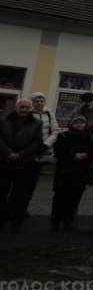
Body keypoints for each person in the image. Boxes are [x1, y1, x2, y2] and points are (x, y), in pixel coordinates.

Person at [0, 98, 43, 232]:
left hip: (24, 164)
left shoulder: (37, 123)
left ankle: (15, 221)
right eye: (22, 107)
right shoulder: (3, 120)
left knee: (20, 195)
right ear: (16, 107)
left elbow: (38, 142)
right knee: (1, 193)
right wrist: (9, 153)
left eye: (27, 107)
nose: (24, 110)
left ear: (31, 108)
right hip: (4, 163)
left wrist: (21, 154)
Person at [50, 114, 93, 230]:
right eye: (77, 122)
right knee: (60, 198)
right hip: (64, 173)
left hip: (81, 173)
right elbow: (58, 151)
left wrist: (87, 155)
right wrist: (73, 155)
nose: (80, 125)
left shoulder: (89, 137)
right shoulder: (63, 136)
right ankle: (55, 221)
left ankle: (68, 221)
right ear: (71, 124)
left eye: (82, 123)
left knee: (74, 199)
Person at [25, 92, 60, 216]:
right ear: (32, 103)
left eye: (41, 101)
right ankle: (14, 206)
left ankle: (25, 206)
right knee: (22, 181)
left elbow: (55, 132)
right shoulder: (27, 113)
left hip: (42, 154)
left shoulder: (49, 114)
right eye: (37, 101)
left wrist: (46, 145)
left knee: (33, 182)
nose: (39, 103)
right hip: (27, 154)